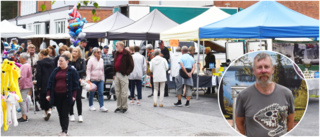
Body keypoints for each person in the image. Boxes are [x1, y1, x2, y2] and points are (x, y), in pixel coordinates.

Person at [235, 52, 295, 137]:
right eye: (259, 67)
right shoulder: (243, 96)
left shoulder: (287, 93)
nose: (263, 71)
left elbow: (290, 120)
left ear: (273, 69)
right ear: (254, 71)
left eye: (266, 67)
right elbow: (239, 123)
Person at [46, 55, 80, 136]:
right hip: (57, 95)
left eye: (61, 61)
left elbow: (76, 85)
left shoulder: (72, 71)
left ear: (67, 61)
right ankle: (62, 129)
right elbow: (50, 83)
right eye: (59, 61)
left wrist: (74, 96)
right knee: (60, 113)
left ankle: (65, 130)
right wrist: (48, 94)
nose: (59, 62)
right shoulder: (55, 70)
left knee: (64, 113)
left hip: (67, 95)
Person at [113, 41, 134, 113]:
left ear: (121, 46)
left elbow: (131, 65)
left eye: (116, 45)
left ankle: (124, 106)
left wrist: (127, 73)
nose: (115, 47)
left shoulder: (127, 54)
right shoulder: (116, 53)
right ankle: (119, 106)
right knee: (117, 91)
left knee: (124, 92)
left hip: (123, 74)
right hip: (117, 74)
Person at [86, 47, 108, 112]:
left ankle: (102, 106)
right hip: (93, 79)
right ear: (94, 53)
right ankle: (91, 105)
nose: (99, 53)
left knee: (101, 92)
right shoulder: (91, 60)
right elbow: (88, 70)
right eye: (98, 52)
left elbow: (102, 70)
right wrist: (88, 78)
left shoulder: (101, 60)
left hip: (100, 79)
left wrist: (103, 78)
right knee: (92, 93)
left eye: (100, 52)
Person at [36, 49, 55, 121]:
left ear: (41, 54)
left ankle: (46, 112)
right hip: (51, 81)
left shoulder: (40, 62)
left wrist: (39, 85)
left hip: (43, 82)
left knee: (43, 97)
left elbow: (39, 74)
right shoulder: (52, 61)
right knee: (50, 95)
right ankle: (50, 109)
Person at [69, 47, 86, 122]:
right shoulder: (69, 61)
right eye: (73, 51)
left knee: (78, 98)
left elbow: (84, 70)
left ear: (79, 53)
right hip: (70, 81)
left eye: (76, 51)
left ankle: (80, 115)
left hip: (78, 82)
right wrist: (75, 72)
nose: (74, 53)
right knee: (71, 98)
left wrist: (74, 72)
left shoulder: (82, 61)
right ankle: (71, 114)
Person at [17, 53, 33, 122]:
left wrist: (19, 86)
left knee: (22, 101)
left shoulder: (24, 66)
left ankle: (24, 116)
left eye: (20, 58)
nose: (19, 59)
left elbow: (22, 77)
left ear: (23, 58)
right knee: (22, 100)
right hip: (27, 84)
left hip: (24, 85)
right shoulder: (27, 65)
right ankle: (24, 115)